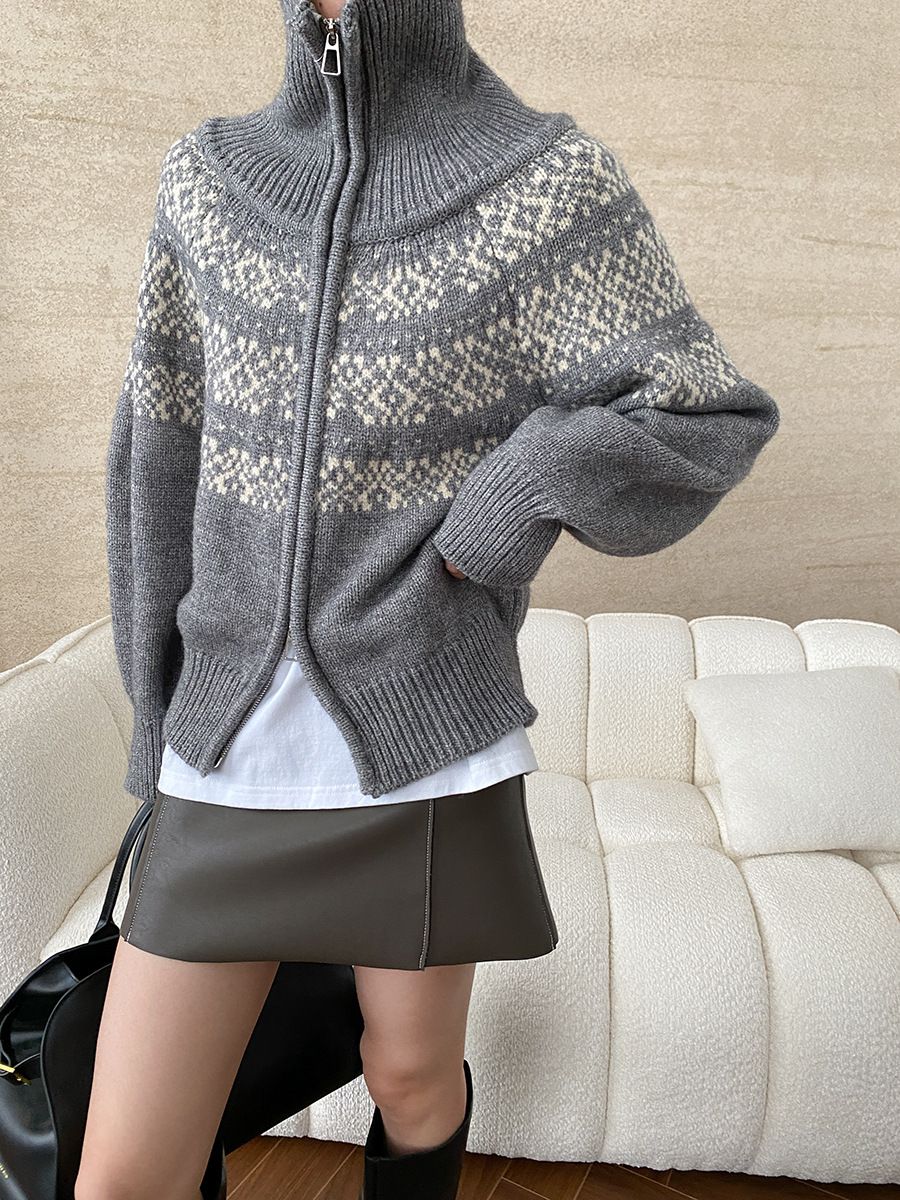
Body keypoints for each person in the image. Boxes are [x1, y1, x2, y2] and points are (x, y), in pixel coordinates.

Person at [76, 0, 781, 1196]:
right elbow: (157, 459)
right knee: (124, 1170)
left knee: (410, 1080)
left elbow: (703, 408)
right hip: (225, 742)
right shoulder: (206, 181)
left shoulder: (543, 184)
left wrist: (510, 499)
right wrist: (155, 720)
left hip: (425, 738)